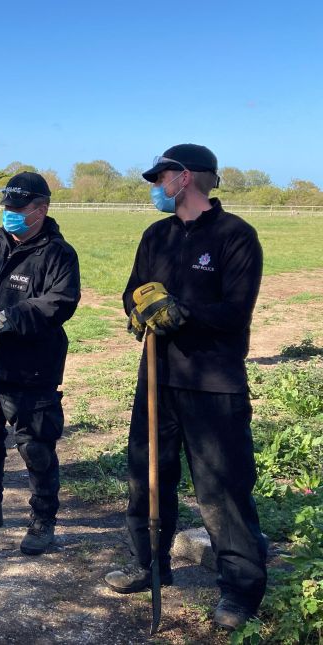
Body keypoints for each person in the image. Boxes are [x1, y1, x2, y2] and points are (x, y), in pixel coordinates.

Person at [103, 144, 267, 630]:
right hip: (157, 376)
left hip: (213, 383)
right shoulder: (156, 235)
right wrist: (138, 311)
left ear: (188, 177)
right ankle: (148, 564)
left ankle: (239, 592)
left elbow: (236, 311)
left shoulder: (235, 236)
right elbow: (134, 291)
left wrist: (182, 312)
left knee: (222, 489)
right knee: (146, 475)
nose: (156, 186)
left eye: (162, 177)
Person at [0, 172, 81, 555]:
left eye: (19, 208)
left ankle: (43, 519)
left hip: (31, 369)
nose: (11, 214)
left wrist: (7, 319)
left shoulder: (57, 254)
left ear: (41, 209)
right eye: (7, 207)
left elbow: (59, 302)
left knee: (35, 445)